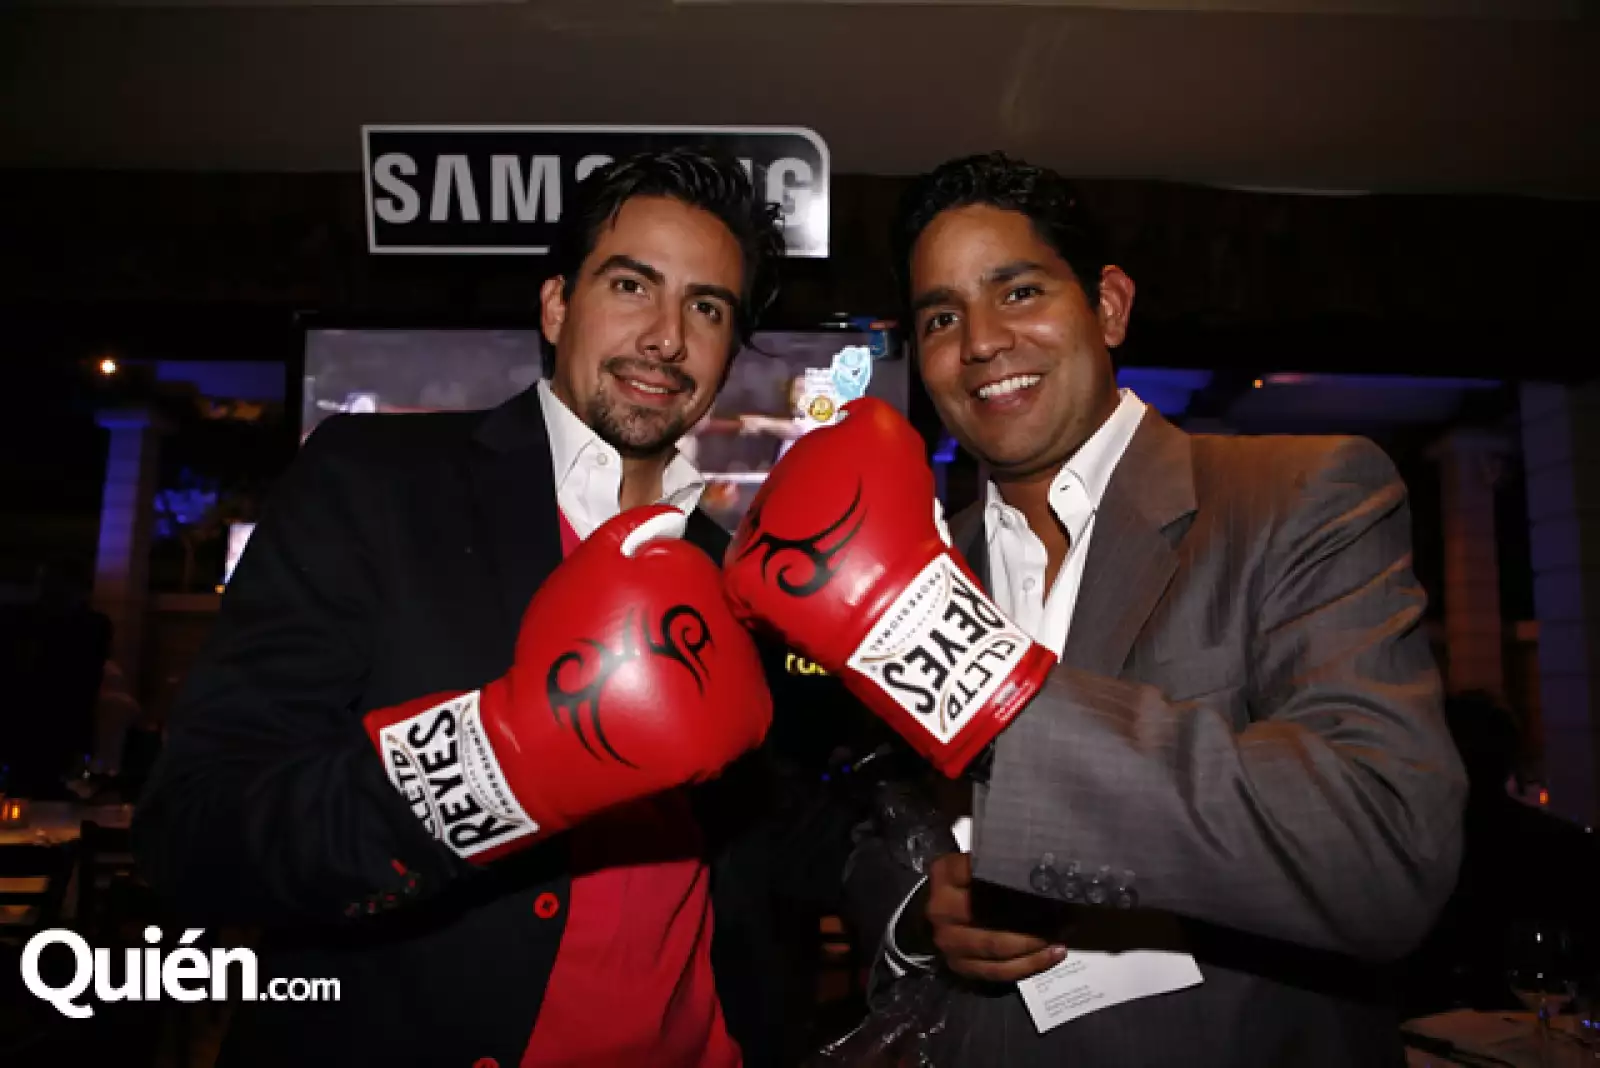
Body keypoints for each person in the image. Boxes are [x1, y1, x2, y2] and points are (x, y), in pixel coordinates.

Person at [720, 152, 1469, 1066]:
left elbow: (1386, 852)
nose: (983, 341)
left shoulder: (1297, 497)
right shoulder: (923, 555)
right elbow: (879, 826)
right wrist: (922, 910)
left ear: (1107, 306)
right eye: (943, 316)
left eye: (1020, 291)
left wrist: (975, 681)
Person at [133, 148, 859, 1068]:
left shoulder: (738, 578)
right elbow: (195, 835)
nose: (668, 336)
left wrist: (921, 886)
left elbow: (775, 830)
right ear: (557, 306)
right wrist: (493, 769)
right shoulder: (375, 486)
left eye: (707, 306)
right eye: (632, 285)